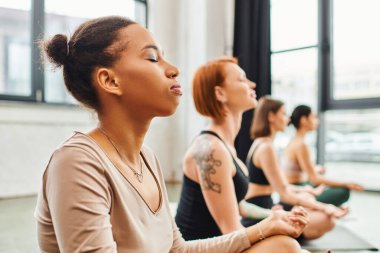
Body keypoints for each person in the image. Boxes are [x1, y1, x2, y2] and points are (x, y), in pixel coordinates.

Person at [34, 16, 308, 253]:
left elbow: (176, 249)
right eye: (153, 57)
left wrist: (264, 228)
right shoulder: (76, 162)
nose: (174, 69)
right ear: (110, 80)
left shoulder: (147, 159)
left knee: (281, 245)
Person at [175, 58, 310, 252]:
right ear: (220, 93)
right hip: (201, 248)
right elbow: (230, 229)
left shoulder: (225, 146)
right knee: (286, 245)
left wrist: (274, 216)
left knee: (288, 243)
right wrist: (270, 227)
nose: (252, 84)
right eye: (241, 79)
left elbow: (239, 207)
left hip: (221, 241)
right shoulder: (211, 149)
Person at [242, 96, 348, 240]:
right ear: (271, 116)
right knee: (327, 219)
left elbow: (282, 186)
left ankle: (290, 235)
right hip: (259, 212)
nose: (288, 119)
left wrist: (306, 189)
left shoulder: (263, 143)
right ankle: (288, 237)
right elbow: (285, 194)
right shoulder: (266, 147)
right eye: (284, 114)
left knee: (317, 210)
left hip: (268, 204)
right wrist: (325, 206)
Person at [283, 105, 364, 207]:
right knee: (343, 191)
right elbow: (315, 179)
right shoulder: (301, 145)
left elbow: (299, 171)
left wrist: (315, 169)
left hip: (296, 187)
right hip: (297, 192)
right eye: (314, 117)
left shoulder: (293, 141)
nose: (317, 121)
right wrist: (346, 183)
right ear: (304, 120)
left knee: (323, 183)